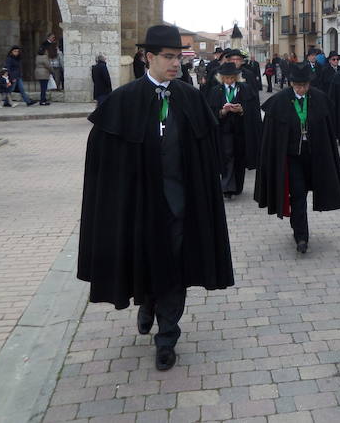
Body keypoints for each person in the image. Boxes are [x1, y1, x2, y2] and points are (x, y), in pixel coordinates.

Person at [78, 25, 234, 371]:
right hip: (140, 207)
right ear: (148, 58)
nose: (176, 64)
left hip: (180, 204)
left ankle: (167, 337)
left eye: (179, 57)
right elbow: (102, 158)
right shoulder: (124, 100)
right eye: (168, 57)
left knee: (175, 268)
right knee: (147, 263)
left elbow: (206, 152)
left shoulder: (190, 97)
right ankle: (146, 303)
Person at [254, 62, 340, 254]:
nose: (301, 89)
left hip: (314, 155)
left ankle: (298, 225)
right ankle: (301, 236)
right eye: (297, 85)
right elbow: (271, 136)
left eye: (304, 85)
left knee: (305, 193)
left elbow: (328, 130)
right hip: (291, 157)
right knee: (297, 193)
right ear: (291, 84)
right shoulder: (279, 101)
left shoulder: (319, 98)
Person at [207, 61, 262, 199]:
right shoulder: (215, 91)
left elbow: (254, 109)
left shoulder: (245, 88)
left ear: (236, 77)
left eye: (232, 77)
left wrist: (242, 110)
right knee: (227, 155)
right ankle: (227, 187)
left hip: (242, 129)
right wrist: (222, 112)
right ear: (222, 78)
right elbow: (211, 112)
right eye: (226, 78)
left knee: (239, 157)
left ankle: (237, 186)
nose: (229, 80)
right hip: (224, 130)